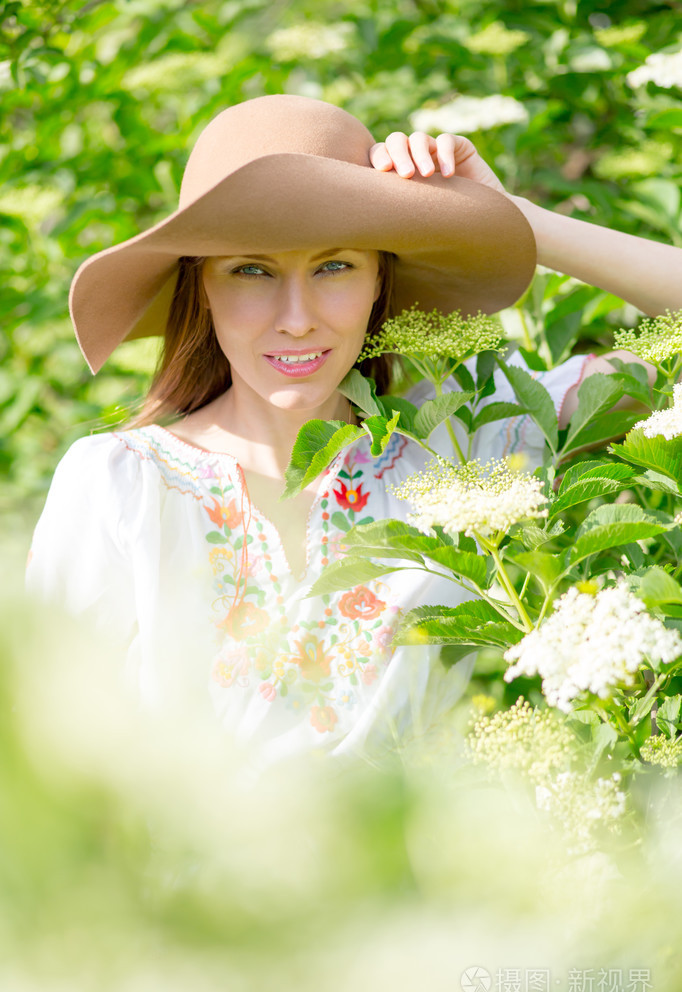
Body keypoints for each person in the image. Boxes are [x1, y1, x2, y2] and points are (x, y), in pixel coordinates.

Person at [26, 94, 682, 769]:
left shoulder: (456, 445)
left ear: (378, 281)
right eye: (251, 270)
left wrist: (513, 219)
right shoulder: (121, 485)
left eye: (334, 266)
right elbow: (36, 754)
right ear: (201, 289)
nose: (297, 318)